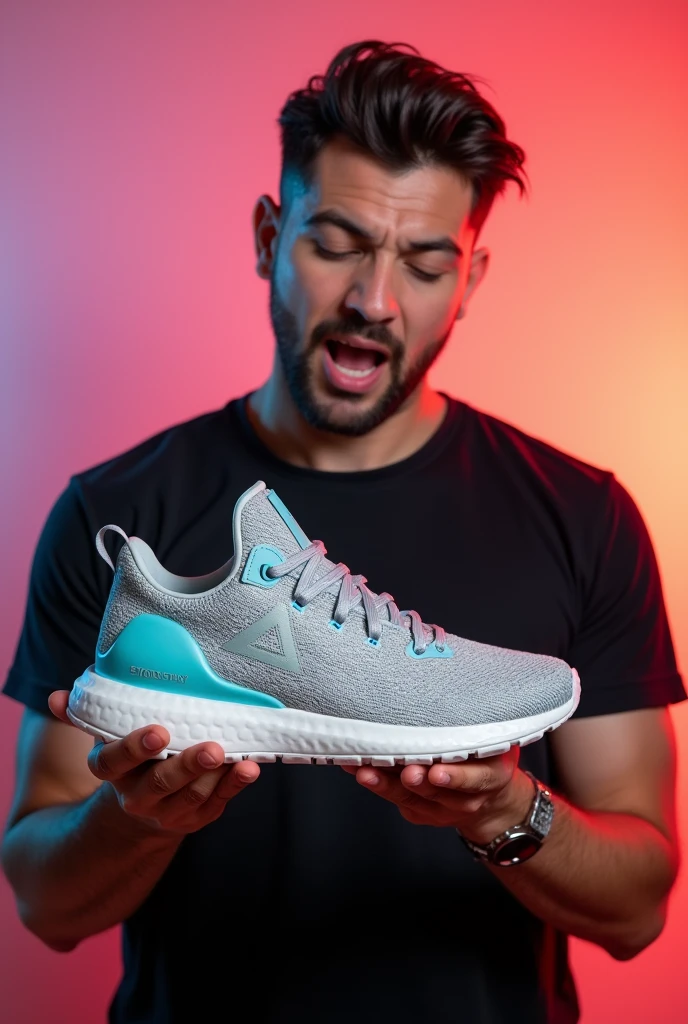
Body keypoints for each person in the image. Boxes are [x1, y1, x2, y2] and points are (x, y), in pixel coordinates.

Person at [1, 39, 685, 1024]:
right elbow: (44, 902)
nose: (373, 299)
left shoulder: (583, 515)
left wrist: (502, 811)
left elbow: (635, 909)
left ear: (470, 278)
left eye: (422, 262)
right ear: (268, 235)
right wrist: (135, 818)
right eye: (337, 242)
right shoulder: (113, 511)